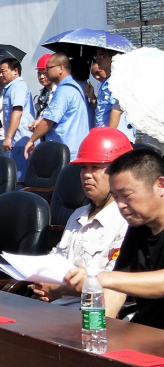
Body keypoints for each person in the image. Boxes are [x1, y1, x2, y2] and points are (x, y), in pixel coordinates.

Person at [64, 149, 164, 329]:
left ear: (160, 185)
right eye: (116, 197)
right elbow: (118, 288)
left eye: (127, 196)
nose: (121, 205)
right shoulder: (138, 227)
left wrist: (99, 277)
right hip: (146, 333)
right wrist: (94, 330)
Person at [29, 128, 130, 306]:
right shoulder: (78, 215)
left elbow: (113, 284)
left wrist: (60, 289)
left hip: (90, 312)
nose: (87, 175)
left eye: (96, 167)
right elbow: (58, 259)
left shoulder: (126, 221)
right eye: (84, 167)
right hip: (53, 308)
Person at [25, 53, 90, 161]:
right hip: (72, 150)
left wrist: (31, 140)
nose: (46, 71)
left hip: (66, 153)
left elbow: (48, 121)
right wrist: (39, 121)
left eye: (48, 68)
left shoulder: (64, 90)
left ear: (60, 68)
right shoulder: (73, 87)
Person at [0, 59, 35, 180]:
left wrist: (8, 137)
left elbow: (17, 111)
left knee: (20, 179)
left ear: (15, 71)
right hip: (17, 141)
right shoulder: (11, 87)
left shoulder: (18, 86)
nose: (0, 75)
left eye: (3, 71)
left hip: (20, 140)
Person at [33, 53, 55, 119]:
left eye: (45, 73)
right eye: (39, 73)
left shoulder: (59, 92)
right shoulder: (42, 92)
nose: (41, 77)